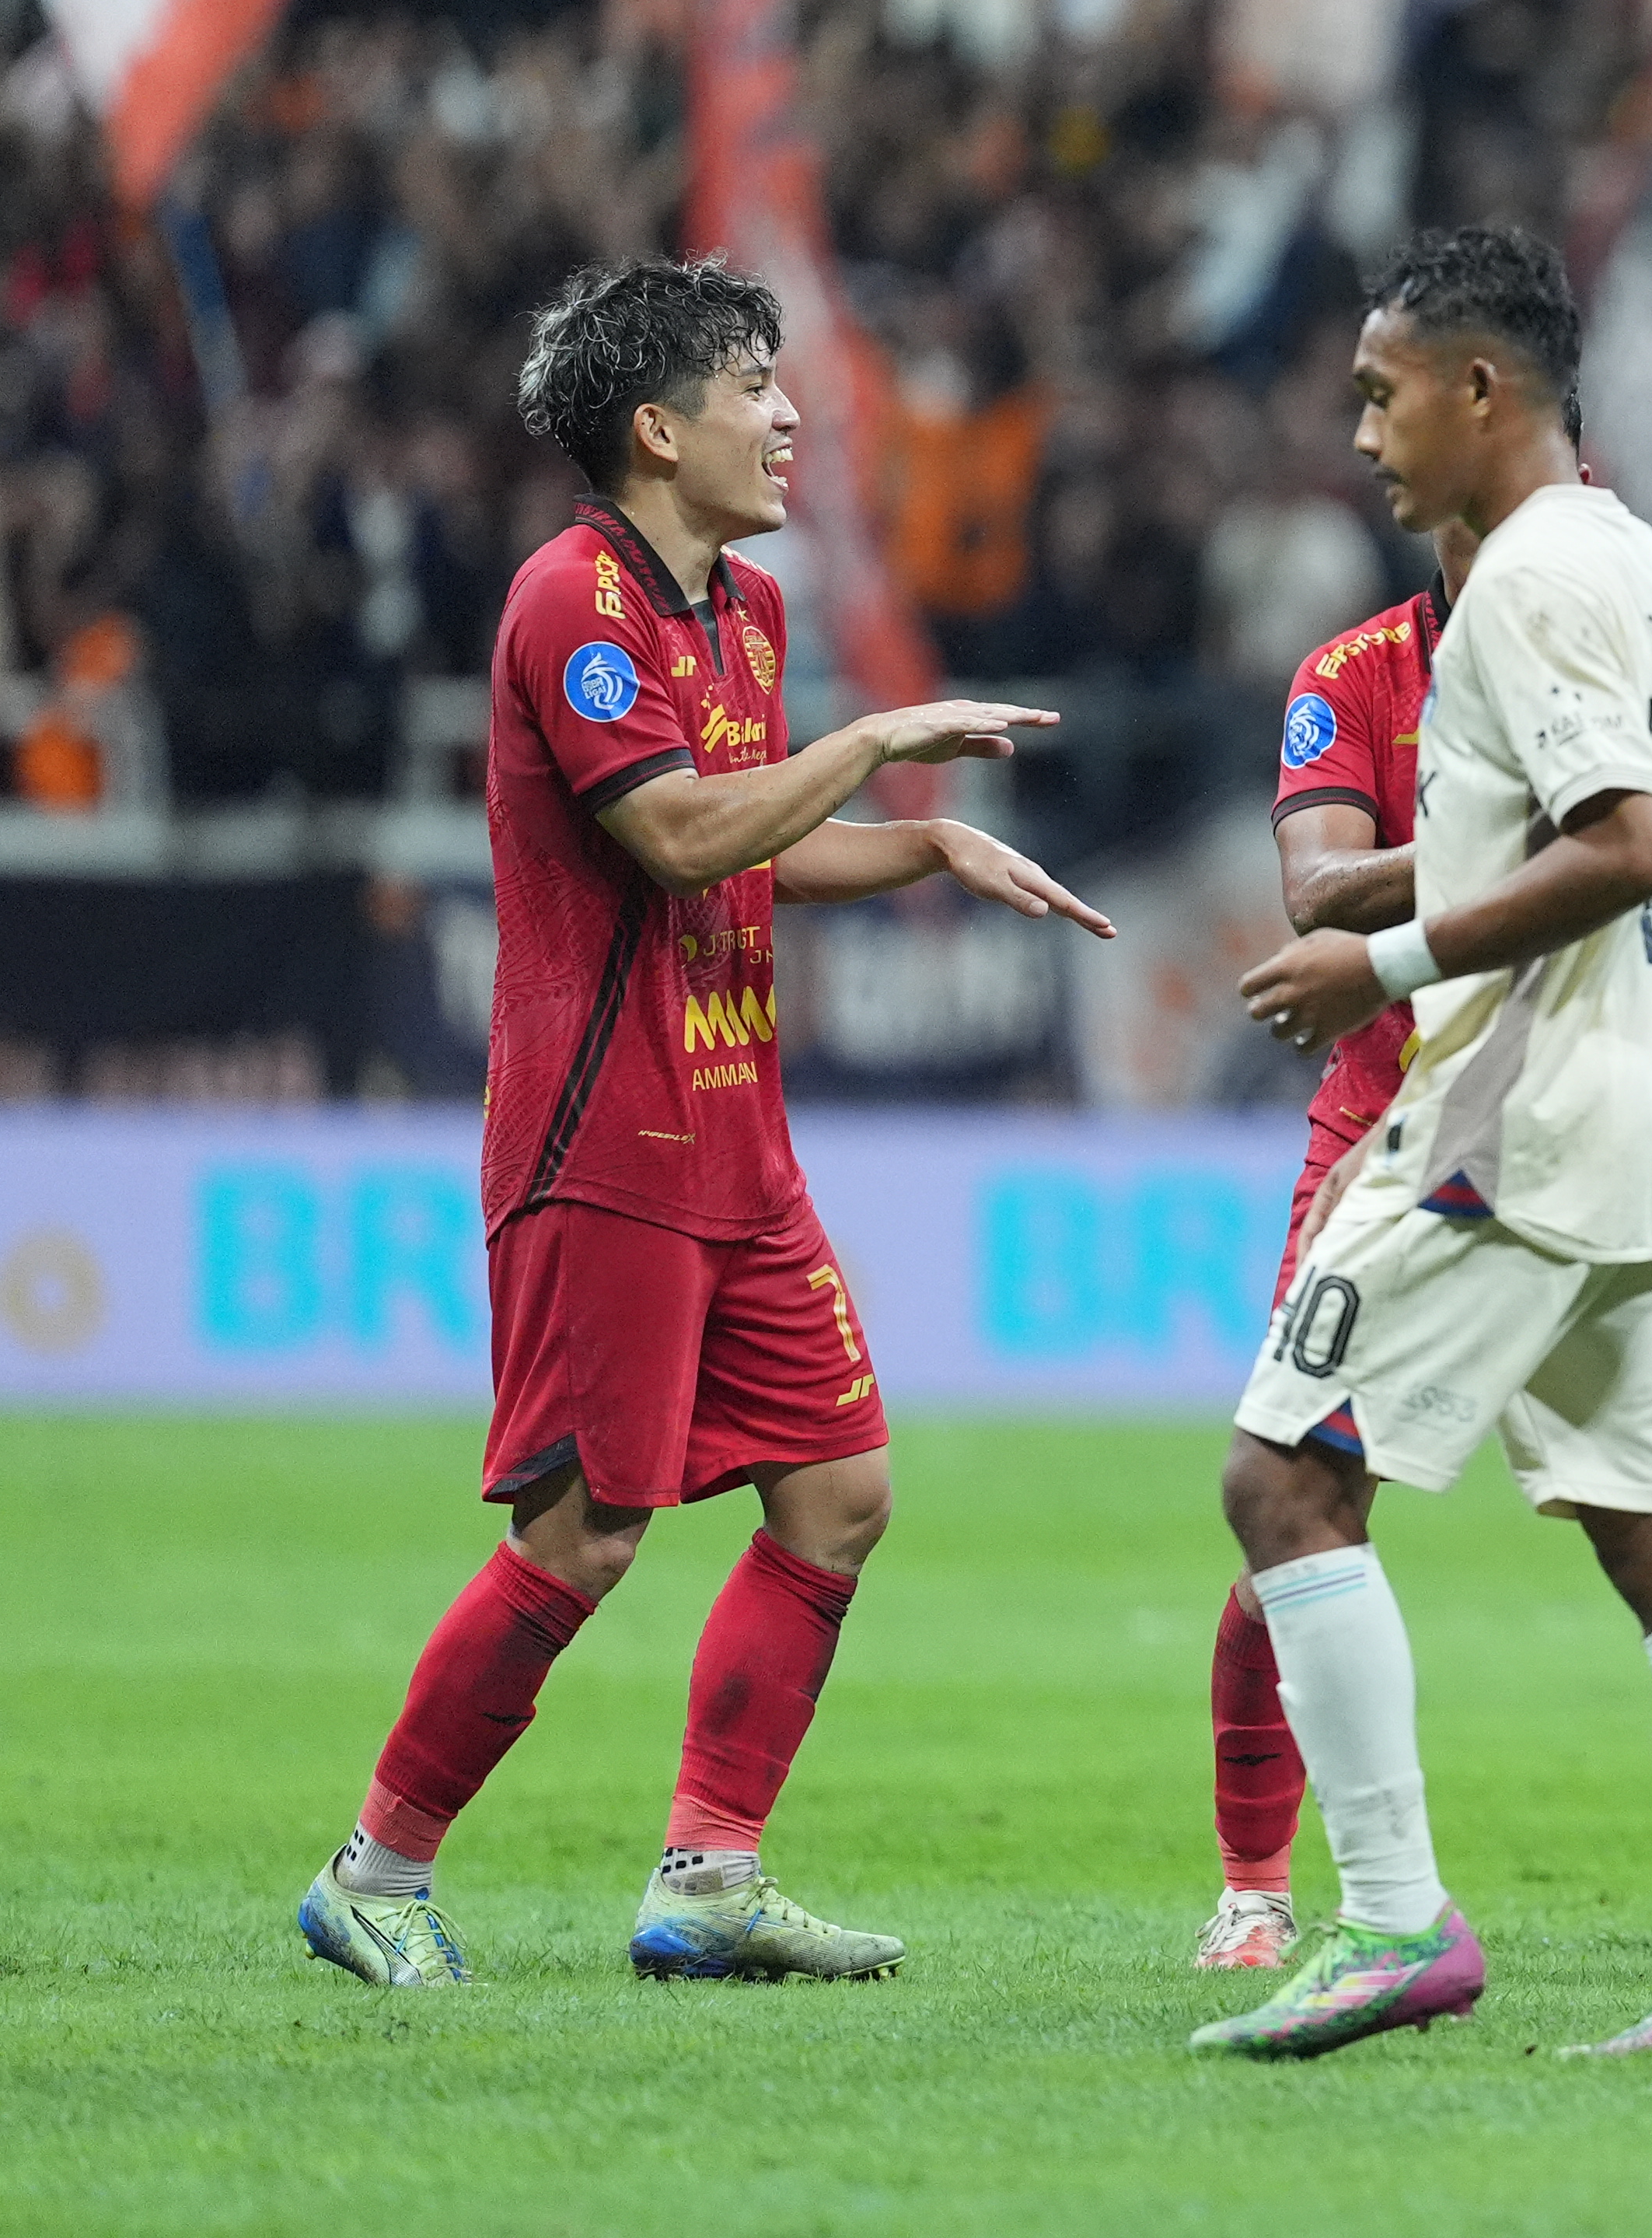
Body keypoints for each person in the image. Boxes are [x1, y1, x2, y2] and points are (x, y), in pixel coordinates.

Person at [296, 255, 1112, 1990]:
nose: (792, 410)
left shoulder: (745, 611)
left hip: (740, 1136)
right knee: (585, 1533)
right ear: (659, 426)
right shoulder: (568, 602)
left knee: (839, 1492)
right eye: (755, 383)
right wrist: (886, 741)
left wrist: (925, 843)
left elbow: (751, 835)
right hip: (606, 1139)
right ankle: (376, 1870)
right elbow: (672, 833)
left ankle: (709, 1878)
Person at [1205, 227, 1652, 2062]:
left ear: (1483, 390)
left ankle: (1388, 1917)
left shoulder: (1531, 574)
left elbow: (1625, 839)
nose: (1364, 427)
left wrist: (1372, 956)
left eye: (1385, 391)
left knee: (1281, 1478)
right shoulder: (1638, 554)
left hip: (1516, 1117)